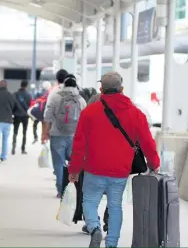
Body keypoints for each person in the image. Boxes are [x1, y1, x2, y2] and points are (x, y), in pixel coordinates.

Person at [68, 71, 160, 248]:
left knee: (89, 201)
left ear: (101, 89)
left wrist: (74, 170)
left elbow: (79, 144)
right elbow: (148, 142)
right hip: (120, 171)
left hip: (94, 168)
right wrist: (154, 164)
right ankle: (111, 244)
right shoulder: (136, 113)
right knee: (115, 206)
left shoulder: (89, 112)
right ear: (122, 89)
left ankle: (94, 228)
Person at [42, 74, 87, 198]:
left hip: (57, 135)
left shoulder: (55, 97)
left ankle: (61, 191)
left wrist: (45, 132)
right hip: (75, 136)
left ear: (64, 85)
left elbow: (47, 116)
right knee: (74, 164)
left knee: (59, 163)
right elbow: (85, 120)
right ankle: (74, 189)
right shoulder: (81, 100)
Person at [0, 80, 23, 164]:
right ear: (6, 86)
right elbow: (18, 108)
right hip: (8, 121)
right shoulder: (11, 96)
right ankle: (4, 156)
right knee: (5, 140)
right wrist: (13, 114)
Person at [12, 80, 32, 155]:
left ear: (20, 85)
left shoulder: (15, 94)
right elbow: (30, 106)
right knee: (24, 132)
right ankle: (23, 149)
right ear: (26, 86)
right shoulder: (29, 95)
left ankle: (13, 147)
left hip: (17, 115)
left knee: (15, 131)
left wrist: (13, 113)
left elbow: (12, 104)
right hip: (25, 116)